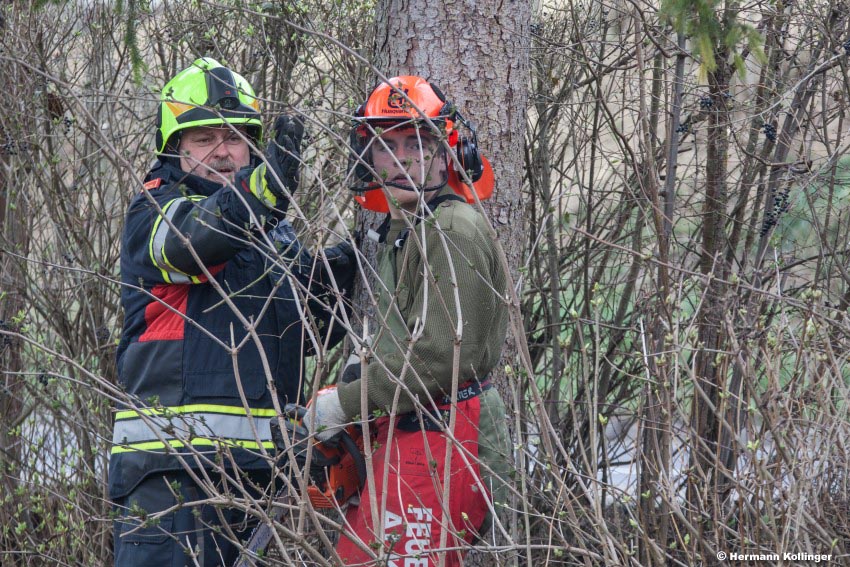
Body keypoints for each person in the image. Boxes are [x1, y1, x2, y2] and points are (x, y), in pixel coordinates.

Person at [110, 58, 354, 567]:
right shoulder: (155, 212)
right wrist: (266, 192)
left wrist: (361, 258)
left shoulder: (269, 230)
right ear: (175, 147)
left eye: (235, 137)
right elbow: (199, 242)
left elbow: (308, 327)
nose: (223, 152)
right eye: (204, 138)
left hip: (256, 486)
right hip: (173, 484)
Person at [304, 76, 512, 566]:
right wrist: (368, 367)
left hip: (447, 429)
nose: (401, 158)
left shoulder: (451, 228)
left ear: (445, 151)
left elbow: (441, 355)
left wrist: (344, 403)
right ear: (368, 156)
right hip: (415, 428)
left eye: (416, 142)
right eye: (387, 145)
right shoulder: (407, 228)